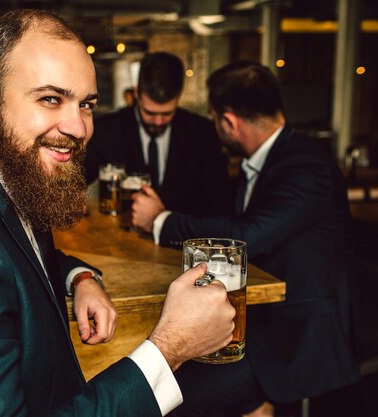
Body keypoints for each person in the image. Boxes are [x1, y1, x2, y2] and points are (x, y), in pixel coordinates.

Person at [0, 9, 236, 417]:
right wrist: (168, 349)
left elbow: (18, 258)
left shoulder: (4, 180)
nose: (78, 127)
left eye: (85, 104)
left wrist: (78, 277)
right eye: (51, 99)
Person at [132, 61, 359, 417]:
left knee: (169, 400)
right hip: (259, 327)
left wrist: (161, 220)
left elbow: (247, 235)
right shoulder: (270, 159)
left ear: (228, 121)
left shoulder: (306, 165)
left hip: (295, 338)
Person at [84, 52, 233, 218]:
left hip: (180, 240)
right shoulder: (107, 129)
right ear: (136, 94)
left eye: (167, 113)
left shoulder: (203, 133)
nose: (158, 122)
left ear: (178, 98)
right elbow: (78, 180)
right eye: (150, 113)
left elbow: (221, 205)